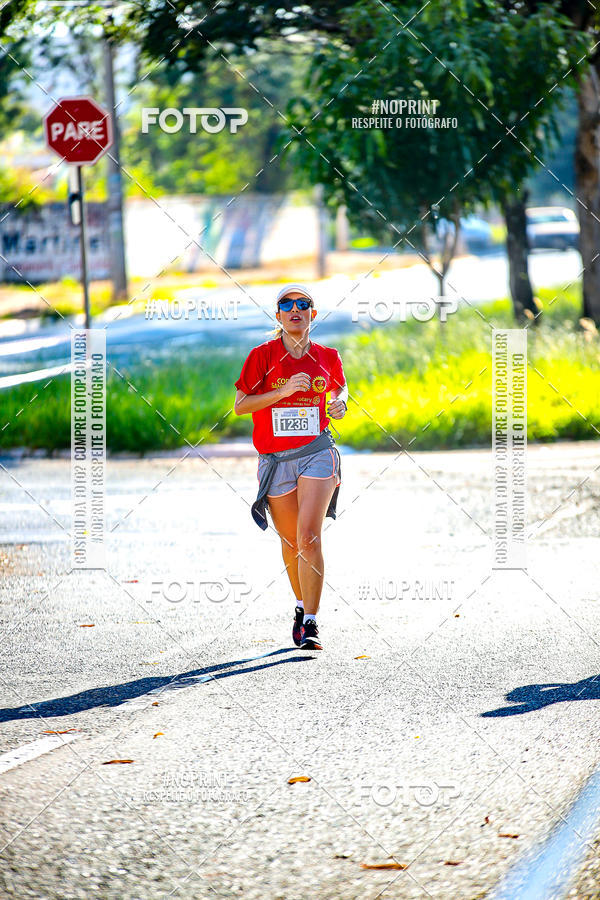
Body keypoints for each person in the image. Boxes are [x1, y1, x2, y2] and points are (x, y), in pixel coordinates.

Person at [234, 283, 348, 650]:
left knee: (309, 537)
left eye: (304, 304)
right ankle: (300, 605)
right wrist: (282, 392)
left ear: (313, 314)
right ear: (278, 315)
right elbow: (241, 405)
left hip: (317, 451)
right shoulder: (262, 356)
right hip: (276, 460)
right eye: (287, 304)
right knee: (290, 543)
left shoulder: (328, 356)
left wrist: (338, 403)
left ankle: (312, 622)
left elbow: (338, 390)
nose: (295, 309)